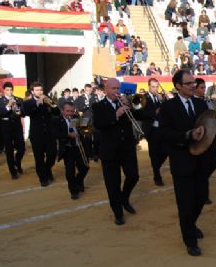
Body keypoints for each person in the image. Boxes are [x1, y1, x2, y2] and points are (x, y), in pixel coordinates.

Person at [159, 70, 213, 256]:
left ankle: (190, 224)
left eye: (194, 82)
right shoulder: (168, 107)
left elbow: (209, 126)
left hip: (201, 159)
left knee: (201, 196)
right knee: (185, 202)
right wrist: (187, 135)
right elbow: (164, 134)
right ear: (178, 86)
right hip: (182, 161)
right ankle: (190, 239)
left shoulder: (200, 103)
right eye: (189, 83)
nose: (193, 85)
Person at [92, 78, 144, 226]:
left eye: (118, 88)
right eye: (114, 88)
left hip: (127, 148)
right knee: (113, 183)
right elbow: (98, 124)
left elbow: (139, 115)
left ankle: (124, 198)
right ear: (106, 89)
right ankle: (118, 212)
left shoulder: (125, 102)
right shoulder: (98, 106)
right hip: (110, 151)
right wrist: (116, 114)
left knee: (133, 176)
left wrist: (132, 106)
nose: (117, 91)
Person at [22, 82, 59, 187]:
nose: (40, 92)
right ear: (32, 92)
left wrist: (51, 103)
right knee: (39, 157)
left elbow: (57, 112)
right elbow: (27, 112)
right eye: (37, 90)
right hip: (36, 134)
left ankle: (47, 170)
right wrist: (38, 103)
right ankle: (43, 178)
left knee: (52, 154)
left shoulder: (47, 100)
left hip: (49, 134)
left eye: (41, 90)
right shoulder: (28, 103)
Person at [53, 102, 89, 200]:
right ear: (62, 111)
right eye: (67, 111)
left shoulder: (76, 118)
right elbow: (55, 133)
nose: (69, 113)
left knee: (85, 167)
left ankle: (79, 181)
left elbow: (86, 130)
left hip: (79, 147)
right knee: (70, 172)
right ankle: (74, 191)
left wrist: (84, 129)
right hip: (67, 149)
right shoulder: (57, 120)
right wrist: (68, 135)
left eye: (71, 111)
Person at [192, 78, 216, 204]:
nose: (204, 90)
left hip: (211, 136)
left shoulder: (206, 101)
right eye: (201, 88)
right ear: (195, 88)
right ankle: (203, 194)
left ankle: (200, 183)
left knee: (214, 163)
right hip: (201, 138)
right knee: (204, 167)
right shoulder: (193, 102)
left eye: (204, 88)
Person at [141, 78, 168, 186]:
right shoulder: (144, 98)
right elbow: (141, 114)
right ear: (148, 86)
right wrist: (154, 112)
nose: (155, 89)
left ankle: (156, 167)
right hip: (151, 130)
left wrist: (163, 100)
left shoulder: (159, 97)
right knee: (154, 154)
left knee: (165, 150)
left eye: (156, 86)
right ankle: (157, 176)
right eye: (153, 86)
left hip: (161, 129)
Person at [0, 82, 25, 179]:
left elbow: (23, 113)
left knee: (21, 148)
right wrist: (8, 105)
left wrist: (18, 109)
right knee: (9, 150)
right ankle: (13, 172)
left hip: (17, 127)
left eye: (11, 89)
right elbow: (0, 114)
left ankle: (17, 163)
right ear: (4, 90)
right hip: (6, 127)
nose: (9, 91)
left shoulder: (18, 99)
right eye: (7, 90)